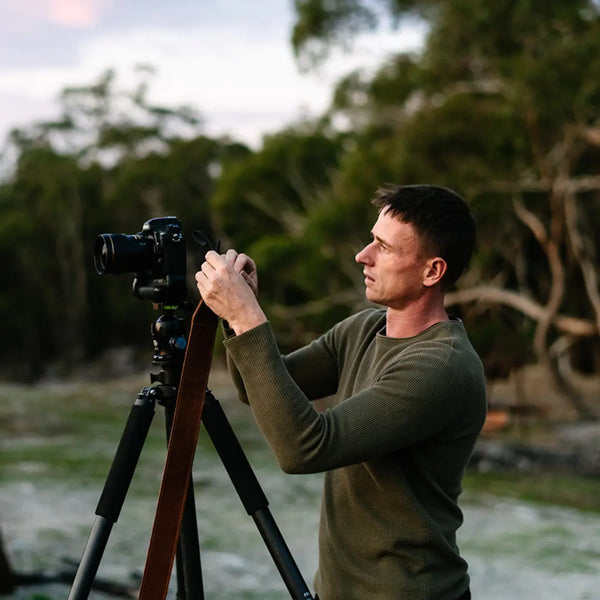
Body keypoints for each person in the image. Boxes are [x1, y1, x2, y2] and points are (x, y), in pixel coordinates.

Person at [195, 184, 487, 600]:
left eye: (383, 248)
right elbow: (254, 386)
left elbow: (304, 448)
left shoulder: (441, 366)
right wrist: (236, 315)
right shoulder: (364, 329)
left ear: (432, 271)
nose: (362, 255)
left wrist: (247, 315)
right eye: (372, 239)